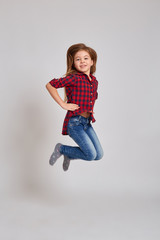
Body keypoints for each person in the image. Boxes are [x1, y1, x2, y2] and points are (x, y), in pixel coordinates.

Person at [46, 43, 104, 171]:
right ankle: (61, 149)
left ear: (92, 61)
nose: (82, 61)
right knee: (90, 155)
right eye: (78, 59)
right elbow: (50, 85)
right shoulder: (74, 78)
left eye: (85, 58)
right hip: (75, 123)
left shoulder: (94, 81)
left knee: (99, 155)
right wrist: (63, 104)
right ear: (73, 63)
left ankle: (68, 155)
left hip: (86, 123)